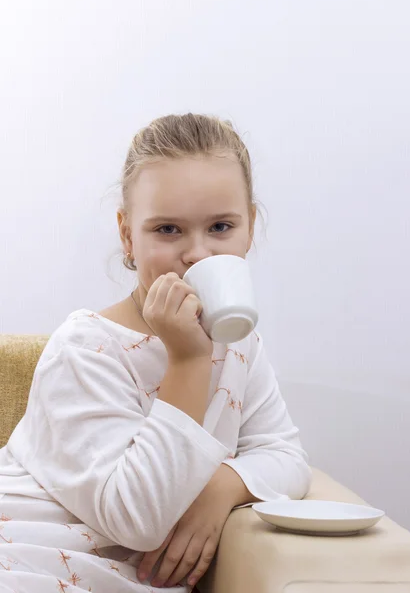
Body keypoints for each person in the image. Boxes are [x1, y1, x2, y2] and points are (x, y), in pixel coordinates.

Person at [0, 113, 311, 592]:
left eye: (221, 227)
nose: (197, 253)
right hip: (30, 556)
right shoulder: (85, 348)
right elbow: (138, 520)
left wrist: (222, 488)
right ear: (128, 236)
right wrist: (187, 361)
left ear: (250, 228)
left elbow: (285, 454)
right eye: (167, 230)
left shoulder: (241, 344)